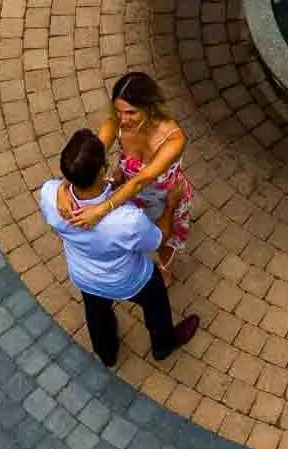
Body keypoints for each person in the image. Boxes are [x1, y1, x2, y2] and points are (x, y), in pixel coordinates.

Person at [40, 128, 199, 367]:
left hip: (84, 274)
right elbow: (159, 239)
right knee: (156, 301)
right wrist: (170, 205)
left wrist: (64, 187)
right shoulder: (127, 220)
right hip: (128, 279)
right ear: (103, 170)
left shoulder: (50, 194)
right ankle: (163, 344)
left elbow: (60, 186)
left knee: (95, 311)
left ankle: (107, 353)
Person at [68, 71, 192, 283]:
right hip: (127, 194)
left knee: (165, 241)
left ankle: (165, 271)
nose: (122, 120)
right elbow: (87, 158)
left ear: (150, 108)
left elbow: (141, 180)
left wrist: (100, 211)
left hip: (163, 197)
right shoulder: (115, 124)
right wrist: (64, 188)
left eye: (131, 113)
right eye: (118, 112)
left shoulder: (174, 138)